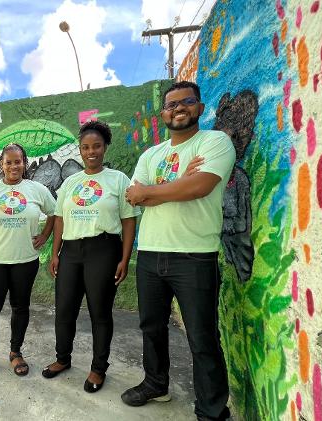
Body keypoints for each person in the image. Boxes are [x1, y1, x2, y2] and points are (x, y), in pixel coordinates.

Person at [122, 80, 236, 421]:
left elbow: (199, 187)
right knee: (151, 327)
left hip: (194, 256)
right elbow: (132, 196)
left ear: (199, 108)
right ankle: (156, 384)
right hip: (151, 254)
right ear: (163, 114)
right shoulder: (150, 154)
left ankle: (212, 411)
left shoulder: (215, 142)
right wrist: (176, 185)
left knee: (202, 338)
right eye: (171, 105)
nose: (178, 108)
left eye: (186, 102)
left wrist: (153, 191)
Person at [42, 121, 138, 393]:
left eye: (96, 146)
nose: (91, 151)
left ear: (105, 147)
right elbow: (60, 219)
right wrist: (55, 252)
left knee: (100, 313)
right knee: (64, 309)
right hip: (71, 252)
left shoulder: (118, 180)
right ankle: (62, 359)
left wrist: (124, 258)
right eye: (85, 147)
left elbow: (129, 220)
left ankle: (98, 369)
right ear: (80, 150)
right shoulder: (71, 182)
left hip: (104, 250)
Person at [0, 143, 57, 381]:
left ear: (24, 164)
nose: (13, 166)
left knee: (20, 307)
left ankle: (16, 352)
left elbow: (55, 214)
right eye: (9, 162)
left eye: (18, 161)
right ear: (2, 165)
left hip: (25, 261)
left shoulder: (36, 189)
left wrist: (45, 235)